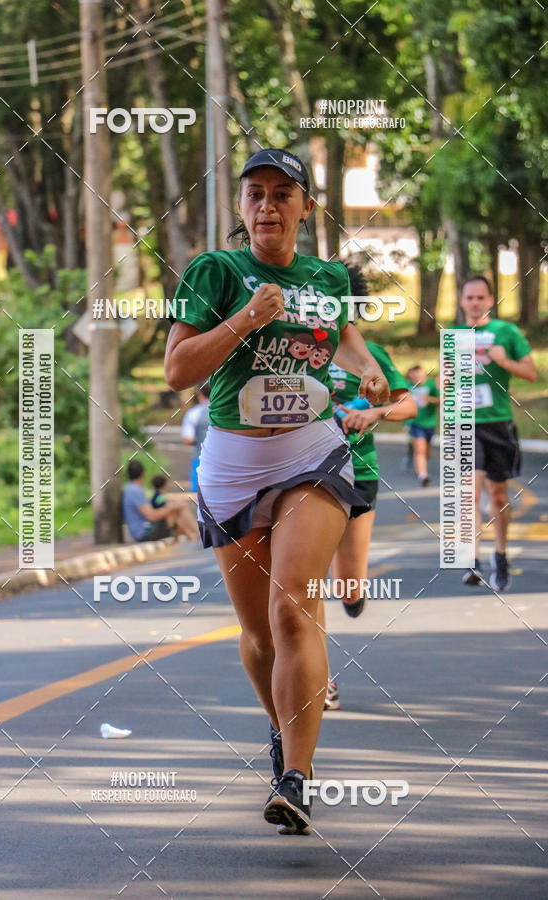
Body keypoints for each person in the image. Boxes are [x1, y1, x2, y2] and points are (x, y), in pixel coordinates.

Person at [164, 148, 389, 835]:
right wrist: (247, 320)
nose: (267, 205)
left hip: (311, 453)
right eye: (255, 194)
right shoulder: (217, 272)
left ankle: (297, 776)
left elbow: (346, 343)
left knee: (293, 608)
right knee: (259, 630)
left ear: (305, 207)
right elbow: (178, 370)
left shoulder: (326, 277)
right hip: (232, 463)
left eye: (281, 194)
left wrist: (371, 371)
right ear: (240, 207)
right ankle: (281, 727)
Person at [321, 299, 417, 710]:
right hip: (303, 474)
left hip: (358, 473)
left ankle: (354, 594)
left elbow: (408, 405)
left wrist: (373, 413)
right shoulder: (288, 349)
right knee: (302, 582)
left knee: (346, 587)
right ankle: (320, 679)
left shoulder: (370, 355)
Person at [457, 275, 536, 591]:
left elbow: (531, 373)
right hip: (465, 424)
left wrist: (505, 362)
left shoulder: (506, 332)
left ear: (490, 301)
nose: (475, 302)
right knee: (470, 491)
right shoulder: (455, 336)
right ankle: (472, 560)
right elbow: (446, 384)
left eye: (480, 298)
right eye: (469, 297)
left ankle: (500, 555)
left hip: (498, 422)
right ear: (462, 301)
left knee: (498, 494)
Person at [122, 460, 199, 543]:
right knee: (180, 506)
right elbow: (151, 516)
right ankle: (198, 534)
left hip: (143, 530)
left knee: (177, 510)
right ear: (143, 473)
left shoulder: (130, 488)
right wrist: (172, 507)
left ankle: (193, 536)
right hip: (144, 533)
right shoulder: (135, 490)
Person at [404, 364, 440, 486]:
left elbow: (441, 400)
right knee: (420, 449)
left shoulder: (431, 385)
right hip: (414, 422)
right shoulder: (408, 387)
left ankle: (411, 456)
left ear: (424, 375)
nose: (417, 378)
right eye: (414, 376)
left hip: (429, 423)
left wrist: (429, 399)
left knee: (426, 451)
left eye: (419, 375)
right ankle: (422, 475)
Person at [181, 385, 211, 491]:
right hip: (221, 461)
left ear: (199, 394)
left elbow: (188, 439)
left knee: (198, 495)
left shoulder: (193, 413)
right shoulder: (223, 412)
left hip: (199, 459)